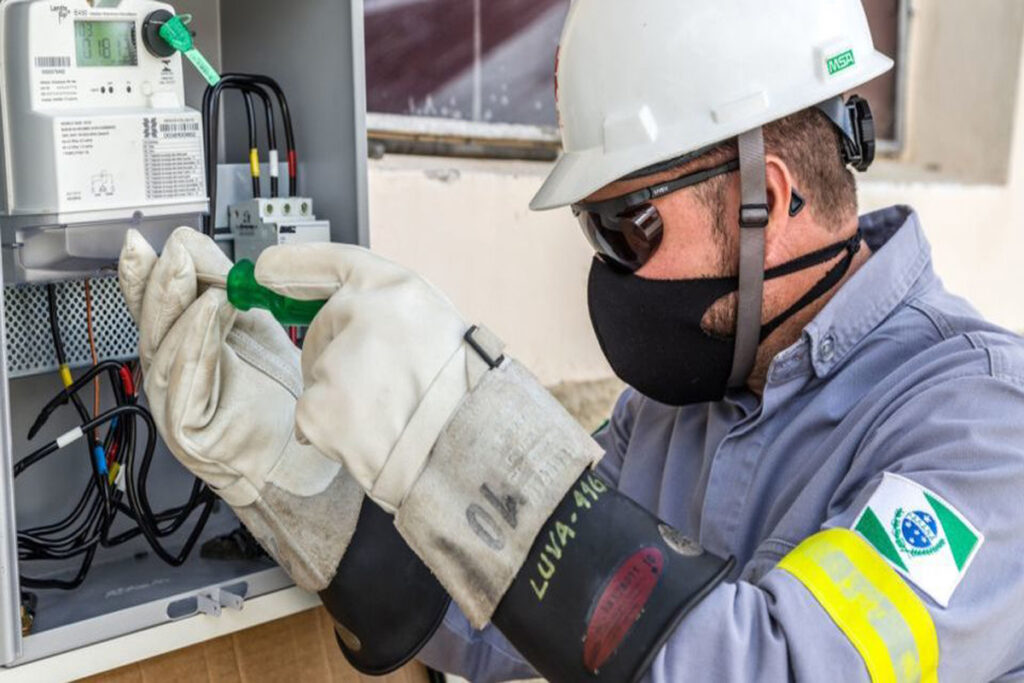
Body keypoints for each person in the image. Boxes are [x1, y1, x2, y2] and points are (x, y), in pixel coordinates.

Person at [119, 1, 1024, 681]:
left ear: (773, 198)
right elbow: (494, 617)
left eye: (628, 226)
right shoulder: (668, 414)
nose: (607, 269)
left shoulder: (981, 433)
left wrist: (463, 425)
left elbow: (763, 665)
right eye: (594, 229)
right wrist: (286, 464)